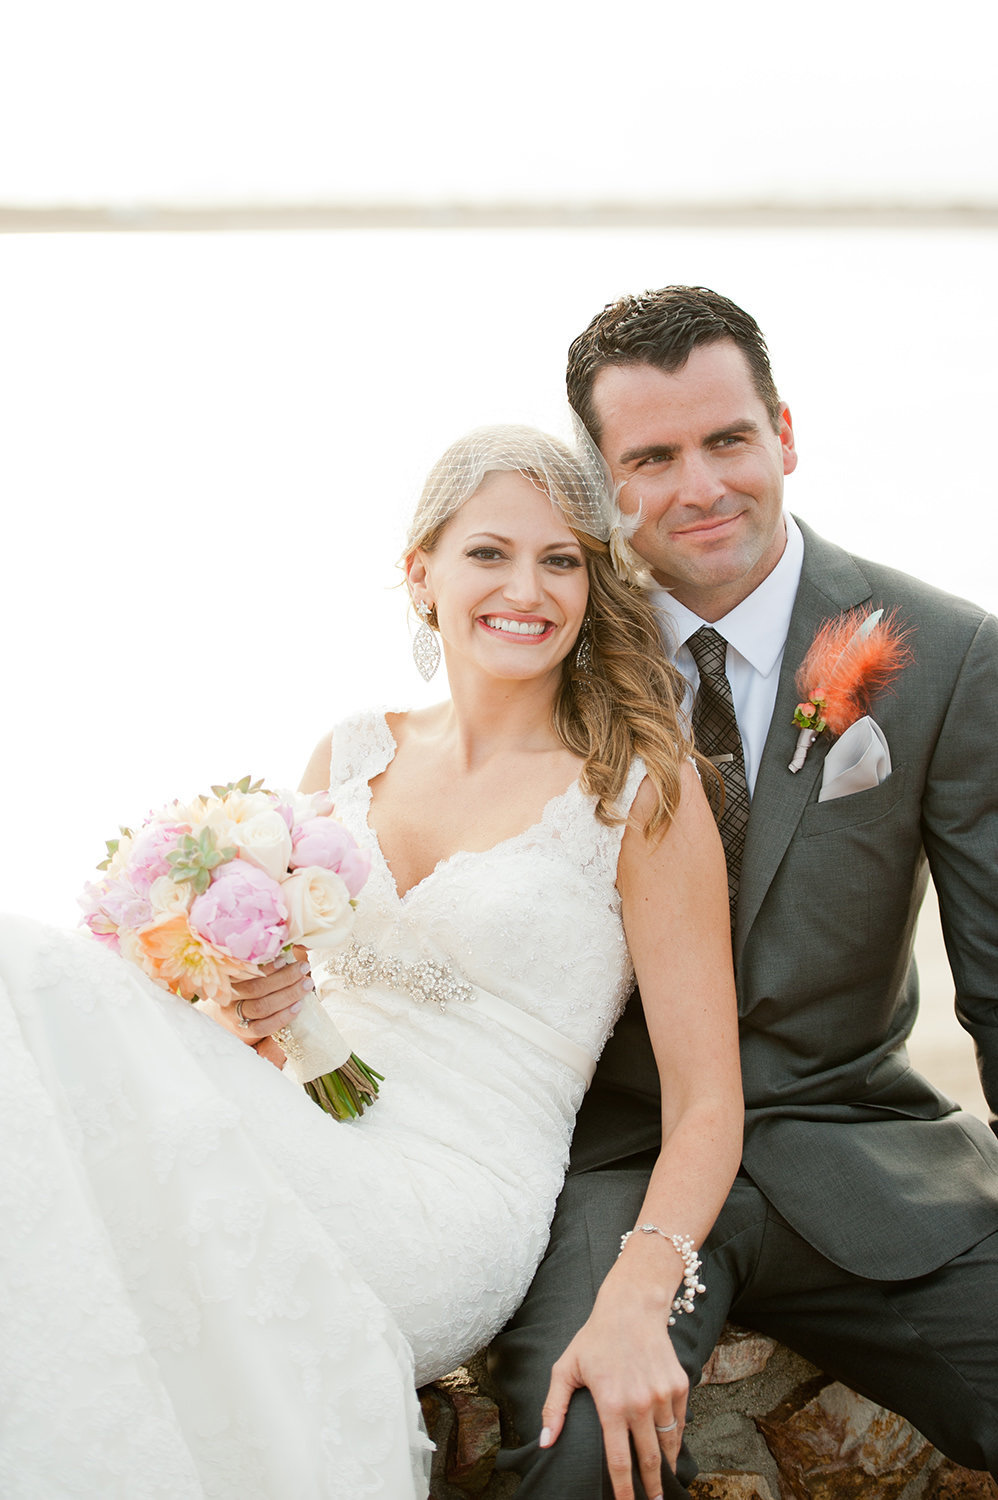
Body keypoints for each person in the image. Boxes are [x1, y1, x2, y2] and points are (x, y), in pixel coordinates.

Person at [0, 424, 742, 1500]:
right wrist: (255, 1006)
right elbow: (284, 1032)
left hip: (444, 1196)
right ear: (420, 571)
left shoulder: (637, 789)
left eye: (559, 559)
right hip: (306, 1122)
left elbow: (709, 1099)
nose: (523, 588)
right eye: (488, 553)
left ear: (589, 582)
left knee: (31, 981)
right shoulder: (351, 752)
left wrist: (638, 1289)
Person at [489, 286, 998, 1496]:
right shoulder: (544, 653)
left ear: (782, 431)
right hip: (617, 1170)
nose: (702, 485)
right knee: (574, 1465)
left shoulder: (944, 650)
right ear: (600, 479)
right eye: (651, 457)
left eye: (727, 440)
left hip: (857, 1157)